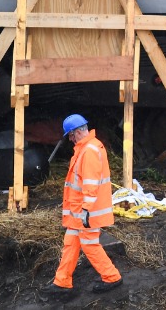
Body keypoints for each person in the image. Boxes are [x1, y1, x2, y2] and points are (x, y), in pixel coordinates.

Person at [45, 114, 122, 296]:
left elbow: (90, 183)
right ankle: (62, 282)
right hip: (79, 210)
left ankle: (112, 277)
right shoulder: (85, 148)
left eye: (71, 135)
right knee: (71, 242)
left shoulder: (89, 151)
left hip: (86, 211)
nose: (70, 139)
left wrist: (86, 209)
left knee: (89, 244)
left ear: (77, 132)